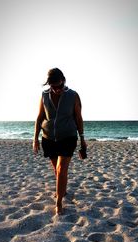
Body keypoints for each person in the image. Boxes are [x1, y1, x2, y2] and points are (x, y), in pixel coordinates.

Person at [33, 68, 86, 215]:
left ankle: (59, 202)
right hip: (48, 138)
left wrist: (82, 139)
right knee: (57, 171)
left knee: (61, 169)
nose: (57, 90)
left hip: (68, 137)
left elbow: (78, 118)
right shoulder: (44, 96)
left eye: (59, 86)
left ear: (63, 80)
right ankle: (62, 190)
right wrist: (35, 138)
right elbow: (39, 117)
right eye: (53, 87)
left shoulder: (73, 96)